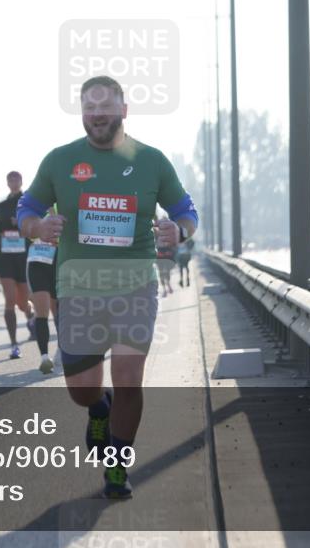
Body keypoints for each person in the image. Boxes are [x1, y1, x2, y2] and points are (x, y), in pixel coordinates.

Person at [17, 76, 198, 499]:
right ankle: (99, 407)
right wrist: (38, 227)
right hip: (78, 289)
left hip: (135, 286)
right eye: (89, 106)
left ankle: (117, 465)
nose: (97, 113)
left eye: (106, 104)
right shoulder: (60, 161)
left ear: (123, 109)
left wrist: (180, 231)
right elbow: (28, 208)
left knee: (130, 378)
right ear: (83, 113)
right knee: (82, 389)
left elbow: (185, 211)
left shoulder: (151, 160)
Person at [0, 171, 35, 358]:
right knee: (10, 301)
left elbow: (34, 227)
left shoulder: (27, 202)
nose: (13, 181)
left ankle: (31, 316)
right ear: (7, 182)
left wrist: (18, 224)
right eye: (10, 178)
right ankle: (13, 345)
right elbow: (1, 230)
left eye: (16, 178)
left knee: (22, 302)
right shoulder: (1, 205)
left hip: (23, 256)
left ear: (21, 180)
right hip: (6, 257)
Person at [25, 205, 58, 374]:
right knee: (42, 311)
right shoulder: (31, 206)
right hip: (37, 262)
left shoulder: (65, 201)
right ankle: (44, 358)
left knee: (58, 310)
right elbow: (24, 231)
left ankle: (63, 350)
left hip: (58, 262)